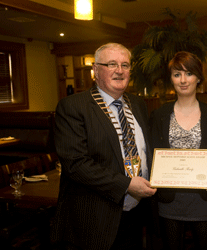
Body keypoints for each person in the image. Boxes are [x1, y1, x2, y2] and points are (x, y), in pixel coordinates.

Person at [51, 43, 157, 250]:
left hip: (136, 210)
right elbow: (76, 165)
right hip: (96, 218)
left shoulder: (138, 104)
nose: (119, 70)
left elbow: (146, 151)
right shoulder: (73, 106)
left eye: (125, 65)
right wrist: (126, 185)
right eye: (111, 64)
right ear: (95, 71)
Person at [150, 51, 207, 250]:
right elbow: (152, 156)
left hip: (205, 202)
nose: (183, 80)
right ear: (171, 80)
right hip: (169, 203)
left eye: (189, 73)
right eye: (177, 74)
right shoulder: (159, 115)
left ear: (198, 77)